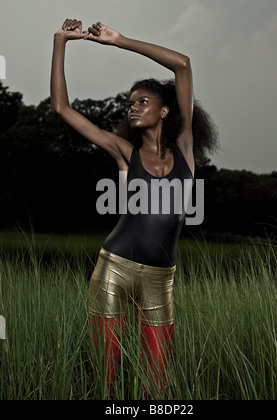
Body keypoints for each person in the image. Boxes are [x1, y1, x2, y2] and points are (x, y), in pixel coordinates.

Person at [50, 18, 218, 398]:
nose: (133, 108)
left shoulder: (186, 150)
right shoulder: (125, 153)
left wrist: (119, 40)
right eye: (130, 103)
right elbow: (61, 108)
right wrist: (61, 41)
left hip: (161, 279)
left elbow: (183, 65)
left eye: (143, 101)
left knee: (157, 386)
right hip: (114, 268)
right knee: (106, 380)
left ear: (165, 111)